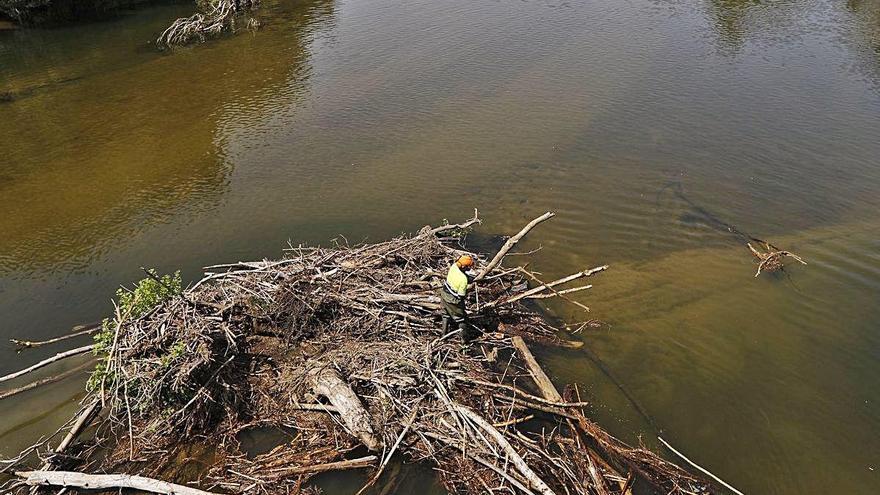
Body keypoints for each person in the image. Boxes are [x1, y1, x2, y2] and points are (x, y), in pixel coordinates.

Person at [439, 255, 479, 342]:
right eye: (469, 267)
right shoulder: (463, 280)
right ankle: (464, 341)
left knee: (445, 315)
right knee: (461, 319)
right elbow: (461, 295)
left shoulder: (454, 266)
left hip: (444, 294)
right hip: (452, 300)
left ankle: (443, 335)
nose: (470, 269)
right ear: (464, 267)